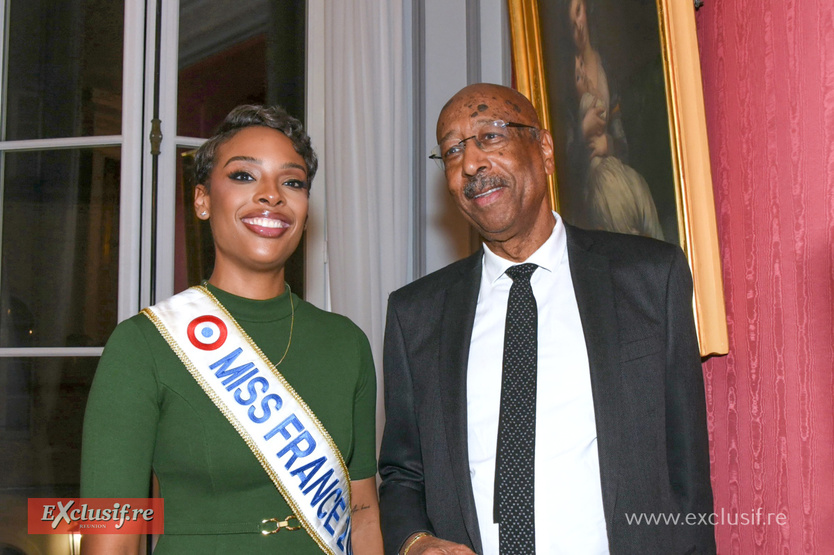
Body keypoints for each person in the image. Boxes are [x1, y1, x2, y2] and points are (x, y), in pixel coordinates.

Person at [378, 84, 715, 554]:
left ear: (545, 149)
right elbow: (402, 472)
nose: (471, 163)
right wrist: (414, 542)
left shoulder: (649, 277)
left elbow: (687, 468)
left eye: (490, 136)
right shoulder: (415, 315)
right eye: (452, 150)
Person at [81, 105, 383, 554]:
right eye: (244, 176)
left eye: (292, 181)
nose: (271, 195)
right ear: (202, 200)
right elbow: (112, 538)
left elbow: (362, 513)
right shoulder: (143, 345)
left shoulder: (347, 343)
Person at [566, 0, 664, 240]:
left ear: (587, 11)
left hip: (621, 173)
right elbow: (562, 165)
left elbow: (624, 139)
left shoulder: (605, 67)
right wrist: (583, 132)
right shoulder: (566, 79)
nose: (577, 24)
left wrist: (609, 144)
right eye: (570, 21)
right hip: (597, 186)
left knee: (641, 198)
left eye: (578, 12)